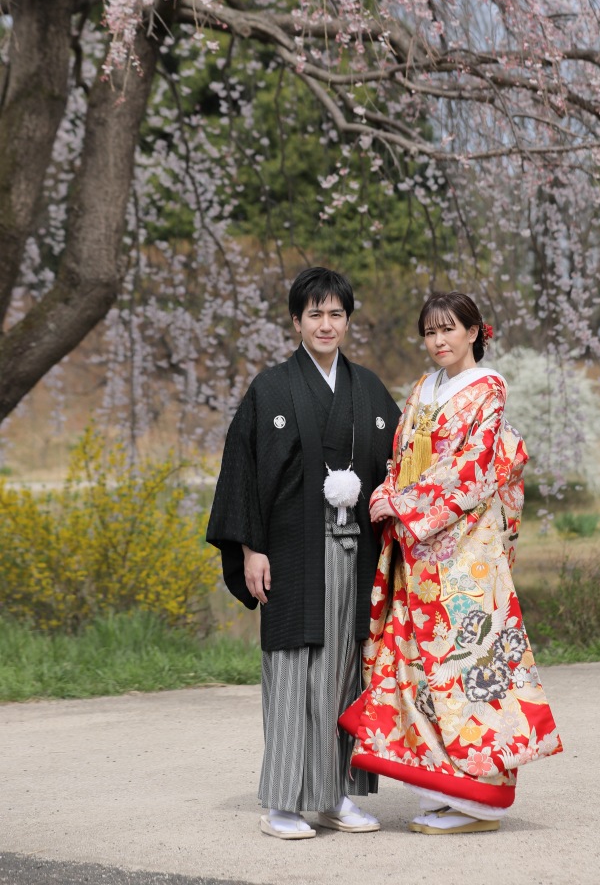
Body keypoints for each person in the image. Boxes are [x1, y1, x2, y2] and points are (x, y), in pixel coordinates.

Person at [339, 291, 562, 834]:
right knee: (419, 664)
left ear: (474, 332)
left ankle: (483, 797)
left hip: (465, 552)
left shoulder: (487, 391)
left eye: (449, 330)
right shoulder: (424, 388)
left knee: (470, 665)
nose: (439, 341)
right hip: (422, 550)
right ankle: (447, 786)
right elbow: (402, 454)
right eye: (430, 332)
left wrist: (404, 502)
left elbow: (473, 467)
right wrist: (389, 489)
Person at [206, 267, 400, 840]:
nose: (325, 323)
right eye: (314, 313)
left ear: (347, 321)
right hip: (291, 551)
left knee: (346, 672)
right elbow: (242, 469)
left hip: (355, 551)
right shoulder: (271, 388)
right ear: (296, 322)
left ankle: (336, 796)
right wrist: (250, 549)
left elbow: (397, 467)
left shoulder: (369, 390)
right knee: (292, 670)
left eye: (336, 313)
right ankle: (283, 802)